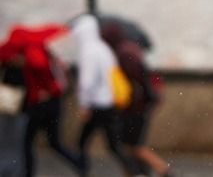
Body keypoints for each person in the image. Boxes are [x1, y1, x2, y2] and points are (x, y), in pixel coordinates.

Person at [0, 24, 85, 176]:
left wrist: (45, 91)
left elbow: (38, 67)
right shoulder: (42, 50)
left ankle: (78, 164)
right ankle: (79, 164)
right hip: (48, 103)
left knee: (30, 142)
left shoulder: (32, 54)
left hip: (41, 106)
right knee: (50, 143)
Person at [100, 21, 173, 177]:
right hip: (139, 105)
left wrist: (130, 102)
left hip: (135, 107)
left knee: (133, 146)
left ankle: (163, 170)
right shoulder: (129, 49)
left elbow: (135, 81)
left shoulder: (124, 53)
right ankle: (145, 171)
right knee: (130, 145)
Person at [71, 14, 138, 176]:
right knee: (109, 144)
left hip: (98, 104)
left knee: (86, 142)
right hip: (108, 102)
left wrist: (84, 104)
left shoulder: (89, 51)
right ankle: (135, 171)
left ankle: (83, 170)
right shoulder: (102, 47)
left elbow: (87, 81)